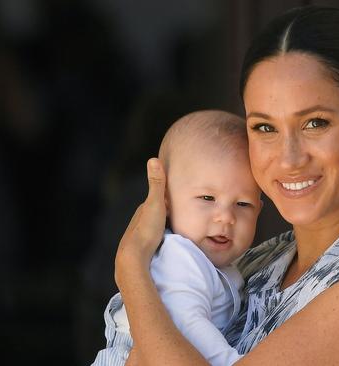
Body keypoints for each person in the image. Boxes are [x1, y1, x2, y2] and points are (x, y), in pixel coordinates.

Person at [114, 6, 339, 366]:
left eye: (315, 123)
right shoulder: (261, 260)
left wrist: (133, 269)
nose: (289, 159)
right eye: (265, 127)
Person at [92, 110, 262, 366]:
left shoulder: (219, 265)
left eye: (243, 204)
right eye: (207, 198)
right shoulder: (180, 258)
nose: (226, 217)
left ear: (260, 209)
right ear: (166, 201)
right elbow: (187, 325)